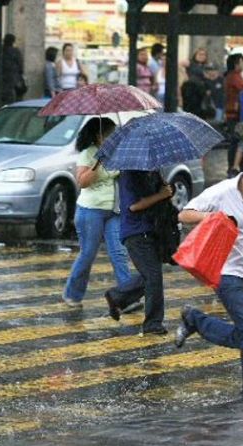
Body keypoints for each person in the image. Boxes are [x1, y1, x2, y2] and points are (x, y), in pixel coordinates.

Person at [177, 149, 243, 403]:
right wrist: (214, 217)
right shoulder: (222, 192)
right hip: (226, 272)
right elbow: (184, 213)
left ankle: (195, 320)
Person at [62, 118, 132, 309]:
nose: (113, 138)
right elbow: (83, 182)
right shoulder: (88, 153)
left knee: (119, 253)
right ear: (99, 135)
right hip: (90, 211)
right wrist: (99, 160)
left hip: (114, 210)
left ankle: (126, 298)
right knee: (88, 254)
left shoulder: (118, 153)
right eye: (110, 134)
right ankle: (72, 294)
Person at [106, 169, 174, 335]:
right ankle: (152, 323)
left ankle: (117, 296)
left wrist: (164, 188)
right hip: (136, 233)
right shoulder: (129, 174)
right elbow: (133, 206)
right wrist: (161, 195)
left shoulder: (151, 172)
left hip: (152, 232)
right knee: (153, 277)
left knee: (151, 276)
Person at [224, 53, 243, 177]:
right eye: (241, 62)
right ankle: (233, 168)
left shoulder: (234, 76)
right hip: (234, 114)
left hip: (234, 114)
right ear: (235, 64)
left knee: (236, 141)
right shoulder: (234, 77)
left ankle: (235, 167)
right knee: (236, 141)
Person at [0, 34, 24, 105]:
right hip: (13, 80)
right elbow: (20, 66)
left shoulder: (1, 50)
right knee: (13, 101)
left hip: (1, 79)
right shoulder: (15, 51)